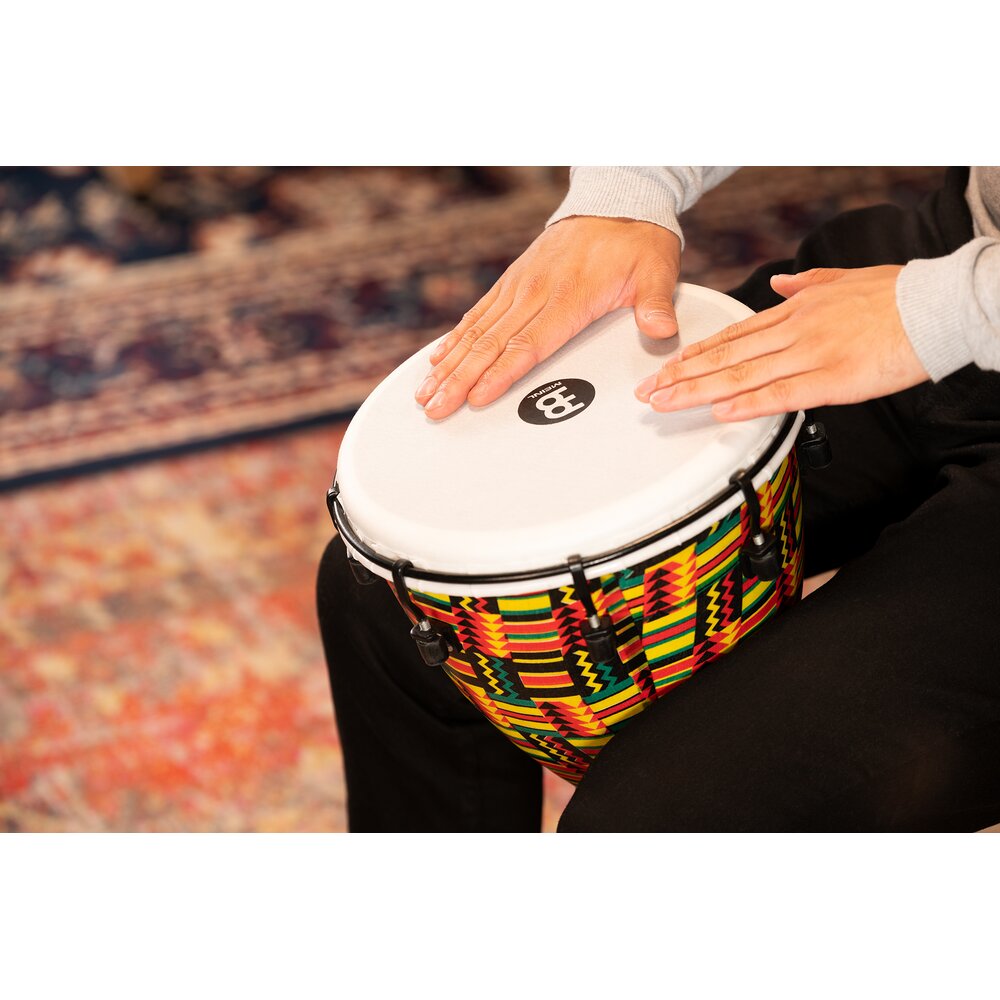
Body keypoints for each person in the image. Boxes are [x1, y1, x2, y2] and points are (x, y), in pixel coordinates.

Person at [317, 166, 1000, 832]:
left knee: (655, 818)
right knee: (393, 593)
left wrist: (950, 310)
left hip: (950, 299)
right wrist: (628, 191)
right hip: (941, 253)